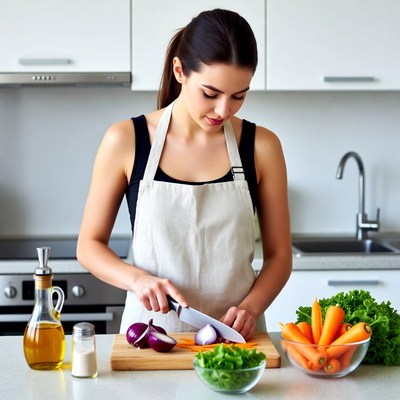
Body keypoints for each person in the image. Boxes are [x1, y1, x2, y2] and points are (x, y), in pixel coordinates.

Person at [77, 8, 292, 340]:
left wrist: (251, 308)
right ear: (180, 70)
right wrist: (136, 279)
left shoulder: (262, 146)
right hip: (150, 337)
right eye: (210, 93)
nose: (223, 110)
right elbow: (89, 246)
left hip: (235, 342)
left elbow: (279, 257)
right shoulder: (126, 140)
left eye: (239, 96)